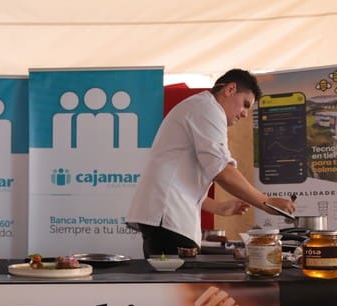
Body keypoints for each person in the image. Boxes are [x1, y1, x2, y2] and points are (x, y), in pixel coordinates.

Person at [126, 69, 296, 258]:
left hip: (164, 218)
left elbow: (177, 179)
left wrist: (218, 207)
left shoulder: (198, 107)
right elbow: (222, 170)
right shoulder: (208, 109)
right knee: (177, 277)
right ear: (230, 89)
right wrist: (267, 202)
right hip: (168, 220)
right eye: (245, 104)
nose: (244, 114)